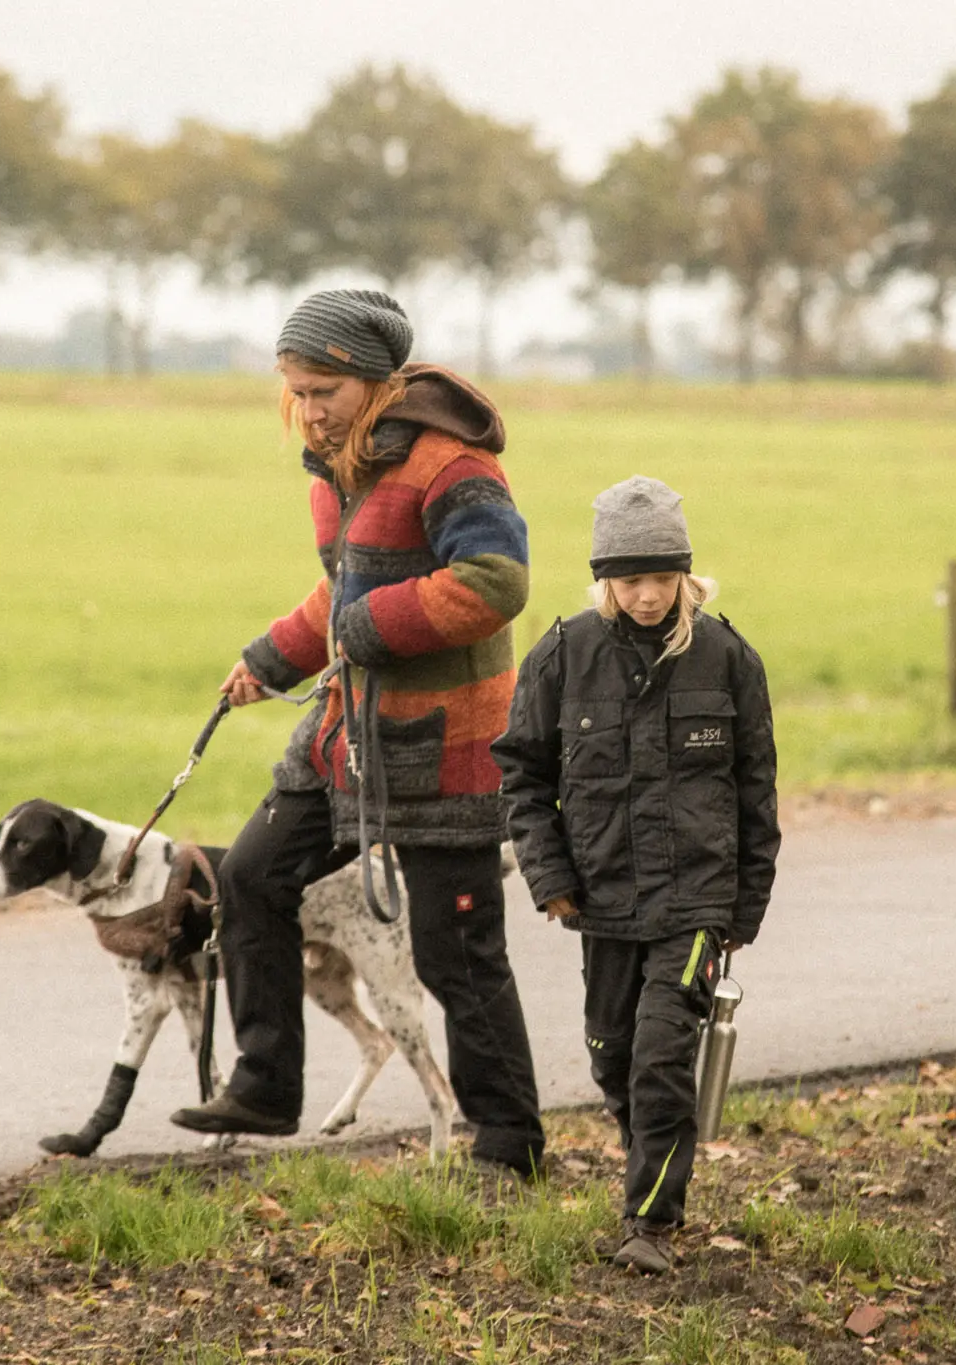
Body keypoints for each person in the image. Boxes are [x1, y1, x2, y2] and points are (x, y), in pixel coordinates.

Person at [169, 288, 548, 1179]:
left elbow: (497, 581)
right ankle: (266, 1085)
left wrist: (366, 629)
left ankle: (510, 1144)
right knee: (252, 874)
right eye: (295, 390)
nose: (307, 409)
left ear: (375, 384)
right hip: (346, 734)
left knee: (456, 954)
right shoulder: (334, 471)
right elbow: (338, 598)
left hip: (445, 748)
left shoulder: (454, 466)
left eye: (325, 390)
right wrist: (272, 658)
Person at [493, 475, 779, 1274]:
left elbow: (757, 788)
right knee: (612, 1054)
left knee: (659, 1056)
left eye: (662, 578)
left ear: (687, 574)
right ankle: (647, 1150)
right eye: (631, 580)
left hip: (695, 904)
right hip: (602, 900)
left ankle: (649, 1221)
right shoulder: (563, 654)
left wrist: (742, 908)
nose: (648, 596)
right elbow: (521, 771)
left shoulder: (727, 658)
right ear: (605, 581)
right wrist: (549, 875)